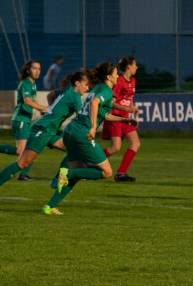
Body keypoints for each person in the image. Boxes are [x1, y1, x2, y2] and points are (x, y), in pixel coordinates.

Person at [42, 62, 138, 215]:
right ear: (108, 76)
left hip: (71, 130)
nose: (118, 76)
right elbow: (94, 103)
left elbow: (103, 114)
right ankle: (66, 174)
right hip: (82, 133)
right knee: (106, 172)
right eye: (115, 73)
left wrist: (123, 120)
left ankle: (50, 206)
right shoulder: (106, 90)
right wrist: (93, 127)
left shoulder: (99, 88)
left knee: (76, 173)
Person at [0, 70, 89, 199]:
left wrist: (51, 110)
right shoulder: (75, 97)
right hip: (42, 130)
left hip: (50, 131)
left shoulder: (67, 92)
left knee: (74, 151)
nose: (87, 88)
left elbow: (51, 94)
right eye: (86, 84)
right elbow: (82, 117)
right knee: (22, 163)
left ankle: (56, 180)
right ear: (77, 83)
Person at [0, 59, 48, 181]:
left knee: (27, 149)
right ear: (28, 70)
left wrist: (42, 110)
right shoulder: (25, 83)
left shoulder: (33, 84)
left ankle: (21, 174)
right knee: (23, 150)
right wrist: (45, 108)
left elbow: (33, 99)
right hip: (20, 119)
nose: (37, 71)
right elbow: (27, 101)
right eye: (34, 68)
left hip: (25, 120)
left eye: (39, 69)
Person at [102, 56, 140, 182]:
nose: (136, 67)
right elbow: (111, 102)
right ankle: (88, 164)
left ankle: (121, 173)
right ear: (128, 66)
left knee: (135, 143)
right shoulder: (119, 82)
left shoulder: (133, 81)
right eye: (135, 64)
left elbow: (129, 99)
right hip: (115, 117)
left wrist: (132, 108)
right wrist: (126, 110)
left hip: (125, 118)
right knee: (115, 148)